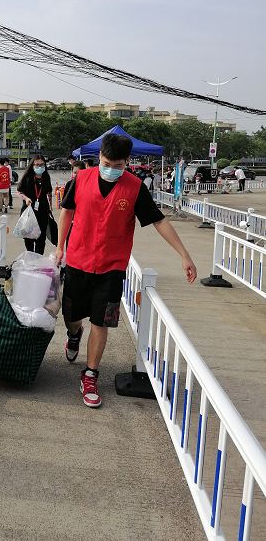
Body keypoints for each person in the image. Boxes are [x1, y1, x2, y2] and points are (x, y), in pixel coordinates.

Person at [54, 133, 197, 409]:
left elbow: (159, 221)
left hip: (112, 265)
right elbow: (66, 212)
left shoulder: (134, 187)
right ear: (99, 157)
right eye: (107, 164)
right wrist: (60, 247)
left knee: (101, 322)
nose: (112, 169)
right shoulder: (80, 180)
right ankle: (74, 334)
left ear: (127, 162)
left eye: (118, 165)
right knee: (71, 316)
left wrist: (184, 254)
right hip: (78, 260)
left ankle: (90, 374)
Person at [17, 155, 53, 255]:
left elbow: (49, 193)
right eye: (37, 165)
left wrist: (50, 205)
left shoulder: (46, 177)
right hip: (29, 210)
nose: (39, 167)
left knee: (41, 237)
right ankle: (30, 255)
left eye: (42, 165)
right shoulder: (27, 178)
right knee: (28, 236)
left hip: (43, 211)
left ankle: (38, 258)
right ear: (32, 166)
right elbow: (19, 192)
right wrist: (26, 198)